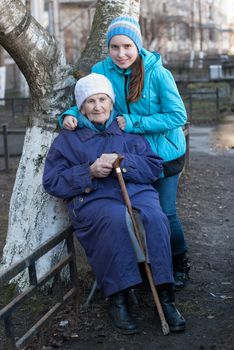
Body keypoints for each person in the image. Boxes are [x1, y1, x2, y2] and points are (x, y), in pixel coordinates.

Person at [43, 73, 186, 334]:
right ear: (80, 107)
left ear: (111, 103)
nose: (97, 106)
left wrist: (124, 162)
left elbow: (154, 167)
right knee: (114, 220)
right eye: (90, 101)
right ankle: (118, 297)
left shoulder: (127, 132)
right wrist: (88, 171)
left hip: (136, 192)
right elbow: (52, 181)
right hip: (94, 197)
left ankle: (165, 297)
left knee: (154, 218)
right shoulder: (67, 139)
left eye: (102, 99)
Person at [58, 16, 190, 290]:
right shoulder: (102, 70)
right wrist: (69, 114)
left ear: (138, 46)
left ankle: (178, 263)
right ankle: (144, 267)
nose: (121, 54)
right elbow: (90, 97)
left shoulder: (157, 73)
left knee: (164, 213)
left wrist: (135, 123)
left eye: (127, 46)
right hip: (130, 157)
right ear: (108, 48)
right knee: (136, 213)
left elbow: (178, 115)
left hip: (164, 154)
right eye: (114, 47)